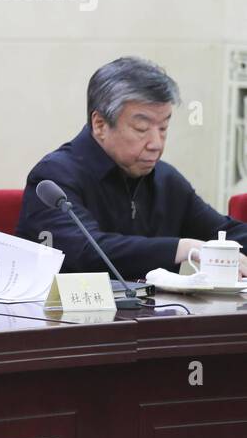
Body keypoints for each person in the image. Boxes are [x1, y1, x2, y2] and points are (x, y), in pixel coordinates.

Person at [17, 56, 247, 277]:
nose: (156, 144)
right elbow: (86, 252)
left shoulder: (165, 179)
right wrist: (182, 248)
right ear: (100, 124)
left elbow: (224, 234)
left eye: (164, 128)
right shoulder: (53, 178)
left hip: (157, 315)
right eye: (141, 128)